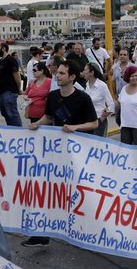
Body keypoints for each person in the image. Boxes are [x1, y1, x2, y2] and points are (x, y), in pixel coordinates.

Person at [26, 61, 98, 247]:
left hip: (79, 155)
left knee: (78, 192)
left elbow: (94, 124)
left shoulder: (83, 98)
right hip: (56, 153)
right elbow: (49, 117)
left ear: (72, 77)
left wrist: (75, 127)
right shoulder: (52, 96)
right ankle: (43, 232)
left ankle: (86, 228)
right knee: (51, 191)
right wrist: (37, 124)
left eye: (62, 73)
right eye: (57, 72)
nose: (57, 76)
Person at [82, 62, 115, 137]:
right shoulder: (86, 86)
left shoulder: (102, 86)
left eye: (85, 70)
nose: (83, 72)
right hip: (86, 121)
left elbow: (111, 105)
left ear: (92, 72)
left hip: (98, 121)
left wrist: (102, 118)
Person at [0, 42, 23, 127]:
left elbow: (17, 76)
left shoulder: (11, 60)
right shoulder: (1, 60)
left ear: (3, 48)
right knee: (5, 114)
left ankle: (17, 132)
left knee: (12, 114)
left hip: (9, 91)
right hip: (0, 92)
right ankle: (11, 130)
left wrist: (19, 89)